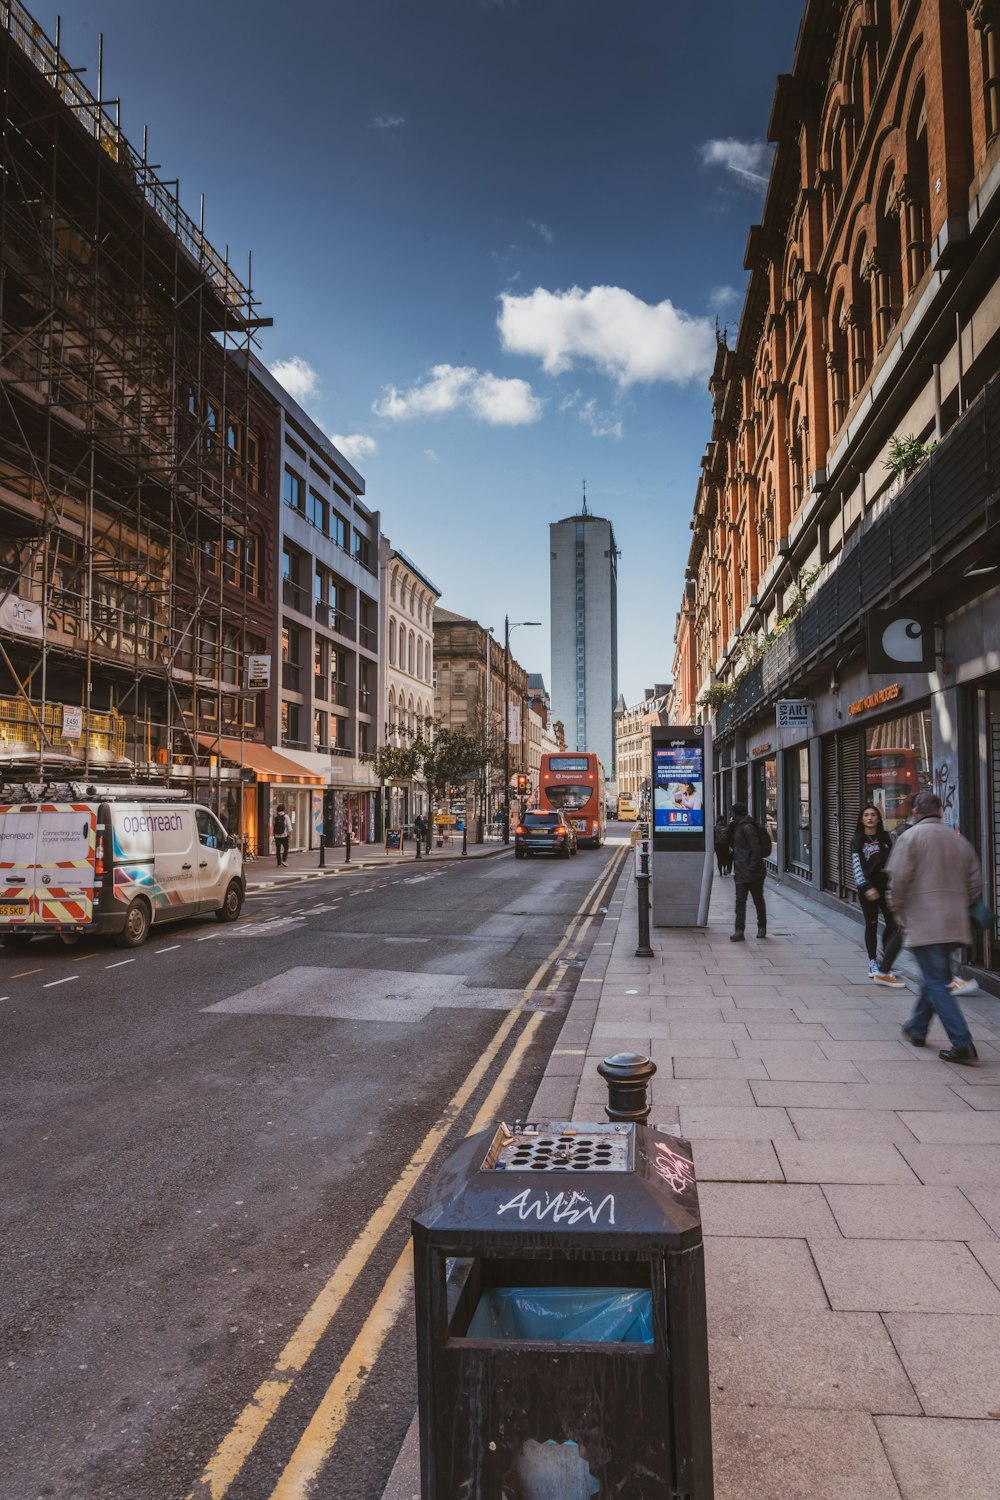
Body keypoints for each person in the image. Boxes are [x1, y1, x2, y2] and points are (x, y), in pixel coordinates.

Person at [887, 789, 983, 1064]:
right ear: (940, 809)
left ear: (916, 812)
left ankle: (962, 1043)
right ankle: (917, 1028)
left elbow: (899, 879)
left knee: (937, 982)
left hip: (925, 922)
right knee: (935, 977)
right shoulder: (958, 840)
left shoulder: (910, 837)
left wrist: (896, 908)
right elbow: (976, 882)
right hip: (954, 922)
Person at [850, 804, 905, 987]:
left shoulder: (885, 838)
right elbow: (857, 865)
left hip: (886, 888)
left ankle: (885, 961)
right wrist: (866, 886)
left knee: (893, 923)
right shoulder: (858, 840)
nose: (870, 818)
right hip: (868, 888)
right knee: (871, 924)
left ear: (878, 819)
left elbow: (895, 860)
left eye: (873, 815)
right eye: (866, 815)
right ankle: (872, 962)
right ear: (861, 819)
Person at [728, 802, 770, 941]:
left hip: (753, 872)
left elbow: (756, 849)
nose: (731, 816)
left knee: (757, 900)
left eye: (732, 813)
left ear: (737, 814)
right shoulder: (737, 827)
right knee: (740, 902)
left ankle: (762, 927)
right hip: (741, 871)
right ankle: (739, 930)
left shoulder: (748, 827)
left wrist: (751, 869)